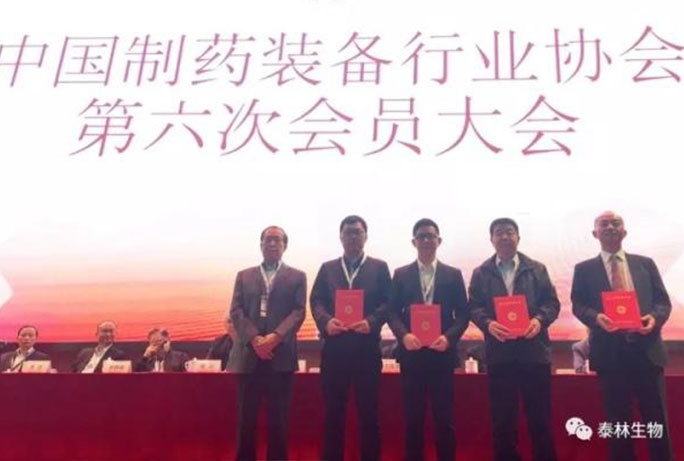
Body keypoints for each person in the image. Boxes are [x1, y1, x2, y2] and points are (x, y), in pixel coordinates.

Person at [571, 211, 674, 461]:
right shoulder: (584, 269)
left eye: (615, 223)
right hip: (610, 356)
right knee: (618, 424)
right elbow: (578, 305)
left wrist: (654, 319)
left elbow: (662, 302)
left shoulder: (645, 264)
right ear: (595, 233)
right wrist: (596, 318)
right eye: (604, 224)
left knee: (656, 422)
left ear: (624, 232)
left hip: (647, 353)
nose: (610, 227)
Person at [469, 217, 559, 461]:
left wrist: (539, 320)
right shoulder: (481, 272)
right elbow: (474, 307)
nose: (505, 237)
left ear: (518, 237)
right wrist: (488, 324)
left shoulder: (537, 269)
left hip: (534, 354)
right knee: (503, 421)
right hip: (500, 355)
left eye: (510, 232)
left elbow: (551, 303)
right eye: (499, 233)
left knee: (540, 419)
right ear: (491, 239)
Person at [310, 215, 392, 461]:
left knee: (369, 415)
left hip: (366, 351)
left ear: (366, 236)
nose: (353, 237)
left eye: (358, 232)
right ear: (340, 237)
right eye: (348, 232)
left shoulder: (379, 267)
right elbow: (316, 300)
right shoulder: (328, 268)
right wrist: (326, 321)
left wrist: (371, 321)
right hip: (334, 350)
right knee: (333, 415)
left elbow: (388, 302)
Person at [387, 218, 469, 461]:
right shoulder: (401, 274)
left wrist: (449, 338)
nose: (426, 240)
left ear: (439, 240)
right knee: (413, 421)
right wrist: (404, 335)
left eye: (430, 236)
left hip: (441, 354)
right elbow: (391, 312)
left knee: (445, 420)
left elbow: (463, 314)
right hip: (412, 356)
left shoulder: (453, 274)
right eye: (421, 236)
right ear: (413, 242)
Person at [229, 226, 307, 461]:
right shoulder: (244, 275)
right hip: (249, 357)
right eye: (268, 240)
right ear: (260, 244)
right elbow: (236, 311)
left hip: (280, 357)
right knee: (246, 421)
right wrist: (255, 338)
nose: (272, 244)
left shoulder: (297, 276)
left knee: (278, 422)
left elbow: (298, 312)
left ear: (285, 245)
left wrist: (275, 337)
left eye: (277, 240)